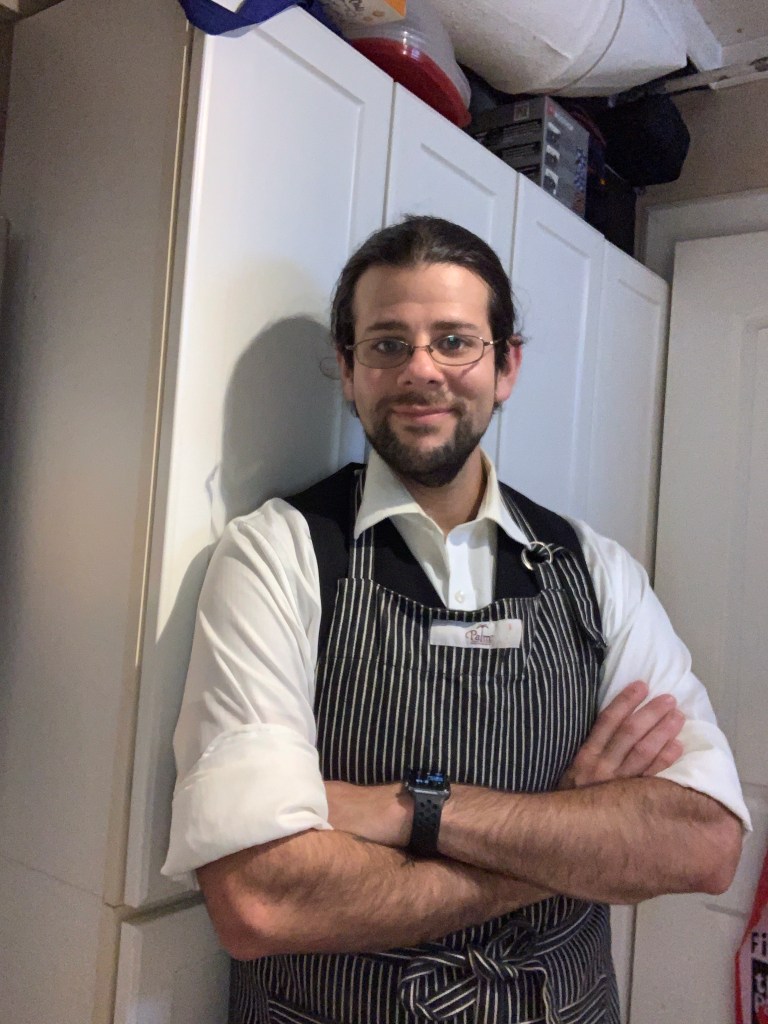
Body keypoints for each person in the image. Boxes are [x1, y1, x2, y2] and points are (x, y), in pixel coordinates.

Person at [163, 216, 750, 1023]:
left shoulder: (595, 572)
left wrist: (412, 807)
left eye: (455, 341)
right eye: (387, 344)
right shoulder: (279, 557)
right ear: (348, 368)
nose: (421, 371)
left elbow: (704, 842)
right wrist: (568, 834)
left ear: (506, 366)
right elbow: (259, 899)